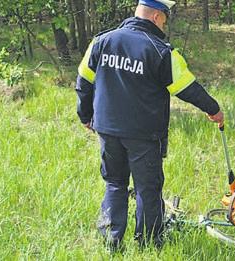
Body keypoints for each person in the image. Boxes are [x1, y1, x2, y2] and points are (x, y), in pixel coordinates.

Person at [75, 0, 224, 249]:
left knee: (115, 183)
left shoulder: (101, 41)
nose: (165, 24)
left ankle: (111, 242)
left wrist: (85, 115)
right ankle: (148, 244)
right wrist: (214, 109)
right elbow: (188, 88)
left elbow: (83, 81)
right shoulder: (161, 51)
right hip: (144, 135)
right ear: (156, 16)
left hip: (107, 129)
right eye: (165, 18)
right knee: (148, 189)